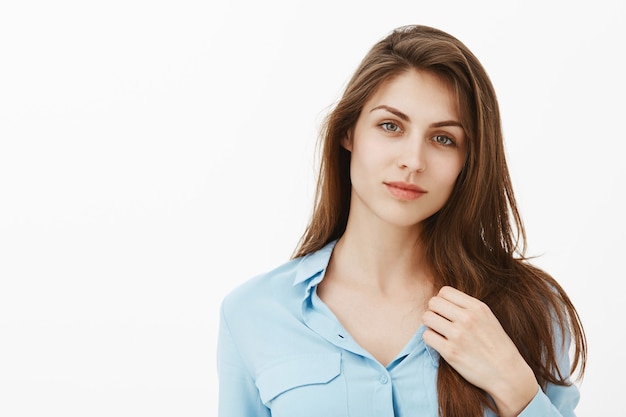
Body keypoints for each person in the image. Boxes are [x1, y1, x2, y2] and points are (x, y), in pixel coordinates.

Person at [216, 24, 587, 417]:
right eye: (390, 126)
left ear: (469, 161)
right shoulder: (253, 313)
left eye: (443, 139)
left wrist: (516, 388)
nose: (413, 160)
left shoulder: (532, 308)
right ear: (348, 132)